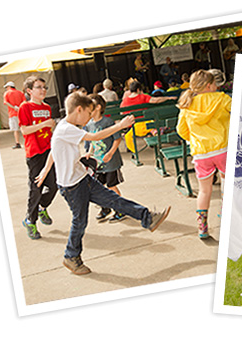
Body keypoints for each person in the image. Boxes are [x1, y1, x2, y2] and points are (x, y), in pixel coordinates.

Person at [35, 93, 170, 275]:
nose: (90, 117)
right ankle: (71, 256)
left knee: (113, 200)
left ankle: (148, 218)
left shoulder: (65, 126)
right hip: (72, 187)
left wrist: (46, 169)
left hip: (83, 179)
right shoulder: (67, 128)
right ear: (79, 109)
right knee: (79, 221)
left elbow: (54, 149)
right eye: (88, 112)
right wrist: (120, 125)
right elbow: (95, 136)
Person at [176, 70, 232, 239]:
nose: (216, 86)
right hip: (223, 149)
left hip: (201, 154)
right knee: (226, 184)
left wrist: (194, 139)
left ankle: (202, 228)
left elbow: (181, 131)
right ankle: (225, 215)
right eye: (214, 83)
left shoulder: (186, 105)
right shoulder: (222, 98)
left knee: (204, 191)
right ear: (209, 85)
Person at [17, 76, 58, 240]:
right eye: (38, 87)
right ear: (29, 91)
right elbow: (25, 131)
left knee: (54, 185)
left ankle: (42, 207)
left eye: (44, 87)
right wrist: (44, 124)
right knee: (36, 189)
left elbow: (49, 130)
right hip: (34, 154)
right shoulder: (24, 107)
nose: (43, 90)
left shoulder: (47, 107)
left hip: (48, 152)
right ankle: (30, 220)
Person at [84, 94, 127, 222]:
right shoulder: (89, 124)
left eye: (90, 105)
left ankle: (120, 209)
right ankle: (105, 208)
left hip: (110, 162)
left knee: (111, 186)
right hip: (98, 162)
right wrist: (89, 152)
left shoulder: (107, 122)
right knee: (99, 187)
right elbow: (93, 140)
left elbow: (117, 138)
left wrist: (110, 153)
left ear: (98, 107)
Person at [3, 81, 26, 149]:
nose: (6, 89)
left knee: (16, 129)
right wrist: (19, 108)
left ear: (9, 87)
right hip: (21, 112)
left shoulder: (6, 93)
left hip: (13, 114)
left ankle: (17, 143)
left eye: (7, 87)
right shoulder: (20, 93)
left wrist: (14, 107)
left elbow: (6, 102)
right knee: (24, 127)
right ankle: (27, 141)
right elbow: (24, 101)